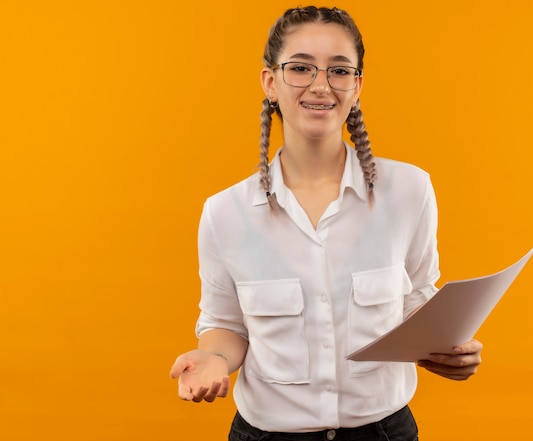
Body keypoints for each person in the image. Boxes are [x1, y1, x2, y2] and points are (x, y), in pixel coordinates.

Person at [170, 6, 483, 441]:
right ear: (270, 83)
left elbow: (415, 296)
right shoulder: (225, 212)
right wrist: (214, 359)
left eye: (339, 70)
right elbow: (226, 324)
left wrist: (448, 347)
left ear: (357, 85)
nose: (321, 85)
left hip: (384, 432)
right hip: (268, 434)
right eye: (300, 68)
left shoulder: (410, 190)